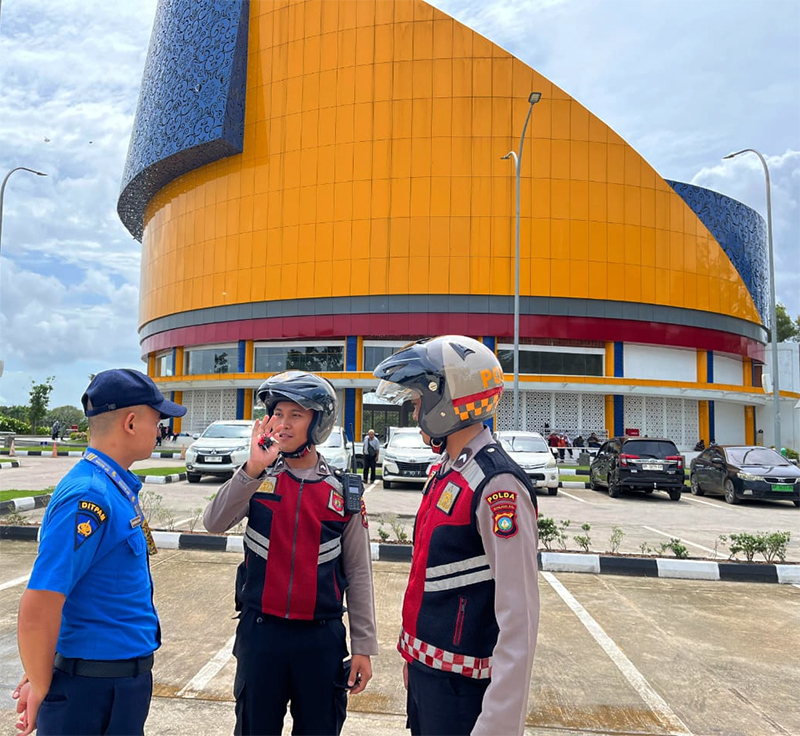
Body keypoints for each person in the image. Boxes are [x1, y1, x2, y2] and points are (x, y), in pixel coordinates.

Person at [373, 336, 540, 736]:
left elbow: (520, 617)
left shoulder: (497, 484)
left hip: (464, 694)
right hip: (431, 680)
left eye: (418, 401)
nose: (415, 412)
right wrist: (416, 663)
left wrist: (498, 723)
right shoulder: (451, 471)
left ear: (449, 400)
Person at [14, 368, 187, 736]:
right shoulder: (90, 496)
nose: (161, 430)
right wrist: (41, 683)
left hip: (116, 687)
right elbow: (39, 605)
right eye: (157, 420)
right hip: (91, 694)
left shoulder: (113, 486)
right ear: (130, 422)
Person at [204, 370, 377, 736]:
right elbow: (214, 522)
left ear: (318, 423)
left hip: (320, 640)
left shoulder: (342, 494)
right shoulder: (258, 479)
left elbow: (359, 573)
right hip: (262, 635)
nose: (283, 423)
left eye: (296, 415)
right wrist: (252, 468)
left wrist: (363, 646)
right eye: (278, 413)